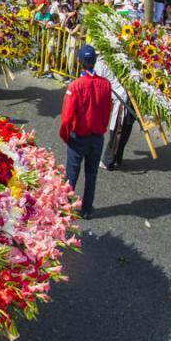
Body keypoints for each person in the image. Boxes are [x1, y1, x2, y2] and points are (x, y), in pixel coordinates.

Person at [59, 45, 112, 219]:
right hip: (97, 137)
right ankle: (87, 209)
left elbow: (66, 118)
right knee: (91, 175)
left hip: (78, 137)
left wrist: (66, 135)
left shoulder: (75, 86)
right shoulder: (105, 85)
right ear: (95, 61)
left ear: (79, 61)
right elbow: (107, 111)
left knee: (72, 174)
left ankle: (66, 207)